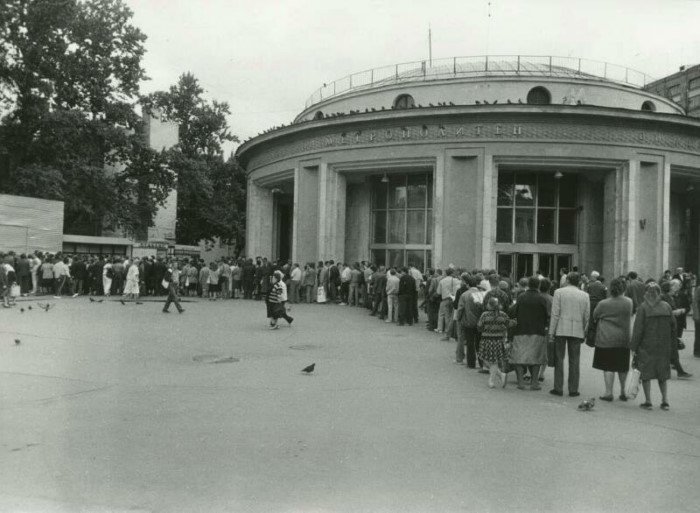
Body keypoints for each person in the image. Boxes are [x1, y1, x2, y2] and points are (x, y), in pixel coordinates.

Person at [630, 283, 674, 410]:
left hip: (646, 345)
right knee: (662, 373)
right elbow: (673, 325)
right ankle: (665, 401)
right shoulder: (666, 306)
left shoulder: (643, 308)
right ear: (659, 293)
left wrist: (633, 346)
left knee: (645, 373)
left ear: (645, 293)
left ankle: (648, 401)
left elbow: (638, 330)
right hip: (663, 345)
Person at [590, 278, 633, 401]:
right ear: (624, 288)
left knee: (608, 366)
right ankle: (623, 391)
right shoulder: (629, 302)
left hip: (606, 338)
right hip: (623, 339)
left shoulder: (603, 303)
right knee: (622, 366)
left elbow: (595, 315)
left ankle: (608, 392)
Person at [549, 272, 590, 397]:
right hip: (577, 329)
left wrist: (551, 331)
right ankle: (573, 389)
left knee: (559, 359)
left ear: (567, 280)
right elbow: (586, 316)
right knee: (575, 360)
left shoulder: (559, 292)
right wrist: (584, 331)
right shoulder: (585, 295)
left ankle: (558, 387)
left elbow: (555, 313)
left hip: (561, 328)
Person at [509, 276, 549, 390]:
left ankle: (520, 382)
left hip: (521, 330)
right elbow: (547, 315)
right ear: (538, 286)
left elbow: (513, 311)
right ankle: (534, 383)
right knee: (536, 358)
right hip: (537, 331)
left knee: (519, 356)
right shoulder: (542, 298)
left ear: (528, 285)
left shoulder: (521, 297)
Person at [477, 297, 515, 388]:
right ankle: (501, 374)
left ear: (489, 305)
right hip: (498, 340)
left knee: (490, 361)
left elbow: (479, 327)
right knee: (492, 360)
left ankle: (491, 381)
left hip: (486, 340)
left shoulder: (484, 315)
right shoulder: (503, 314)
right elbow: (509, 324)